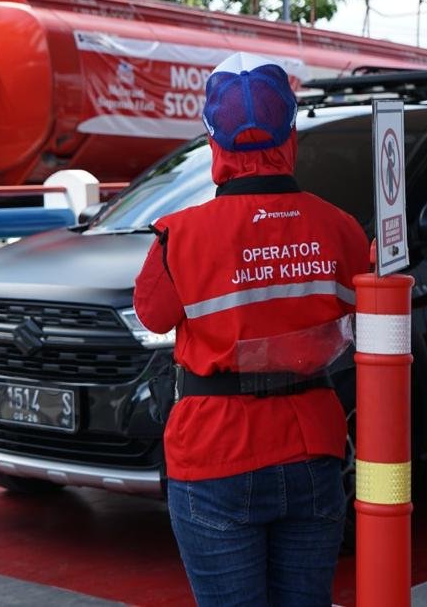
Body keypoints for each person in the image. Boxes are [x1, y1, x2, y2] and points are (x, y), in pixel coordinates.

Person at [133, 52, 371, 606]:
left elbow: (151, 315)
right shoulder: (341, 229)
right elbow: (370, 315)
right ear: (291, 135)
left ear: (213, 143)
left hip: (215, 452)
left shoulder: (180, 235)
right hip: (313, 448)